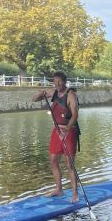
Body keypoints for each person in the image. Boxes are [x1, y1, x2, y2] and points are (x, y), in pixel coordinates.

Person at [33, 71, 81, 202]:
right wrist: (40, 94)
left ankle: (75, 193)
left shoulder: (71, 95)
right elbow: (34, 99)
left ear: (65, 81)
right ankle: (59, 189)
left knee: (69, 164)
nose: (57, 84)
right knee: (53, 160)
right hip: (56, 131)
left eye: (59, 81)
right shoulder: (53, 92)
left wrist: (66, 131)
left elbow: (75, 115)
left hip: (69, 131)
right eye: (55, 81)